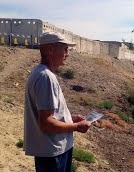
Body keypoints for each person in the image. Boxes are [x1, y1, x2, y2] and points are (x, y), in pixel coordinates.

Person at [24, 32, 91, 172]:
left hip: (51, 150)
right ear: (50, 50)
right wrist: (76, 126)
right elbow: (46, 123)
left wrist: (70, 119)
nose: (68, 53)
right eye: (65, 49)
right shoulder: (46, 77)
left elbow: (46, 115)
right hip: (53, 152)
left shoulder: (40, 73)